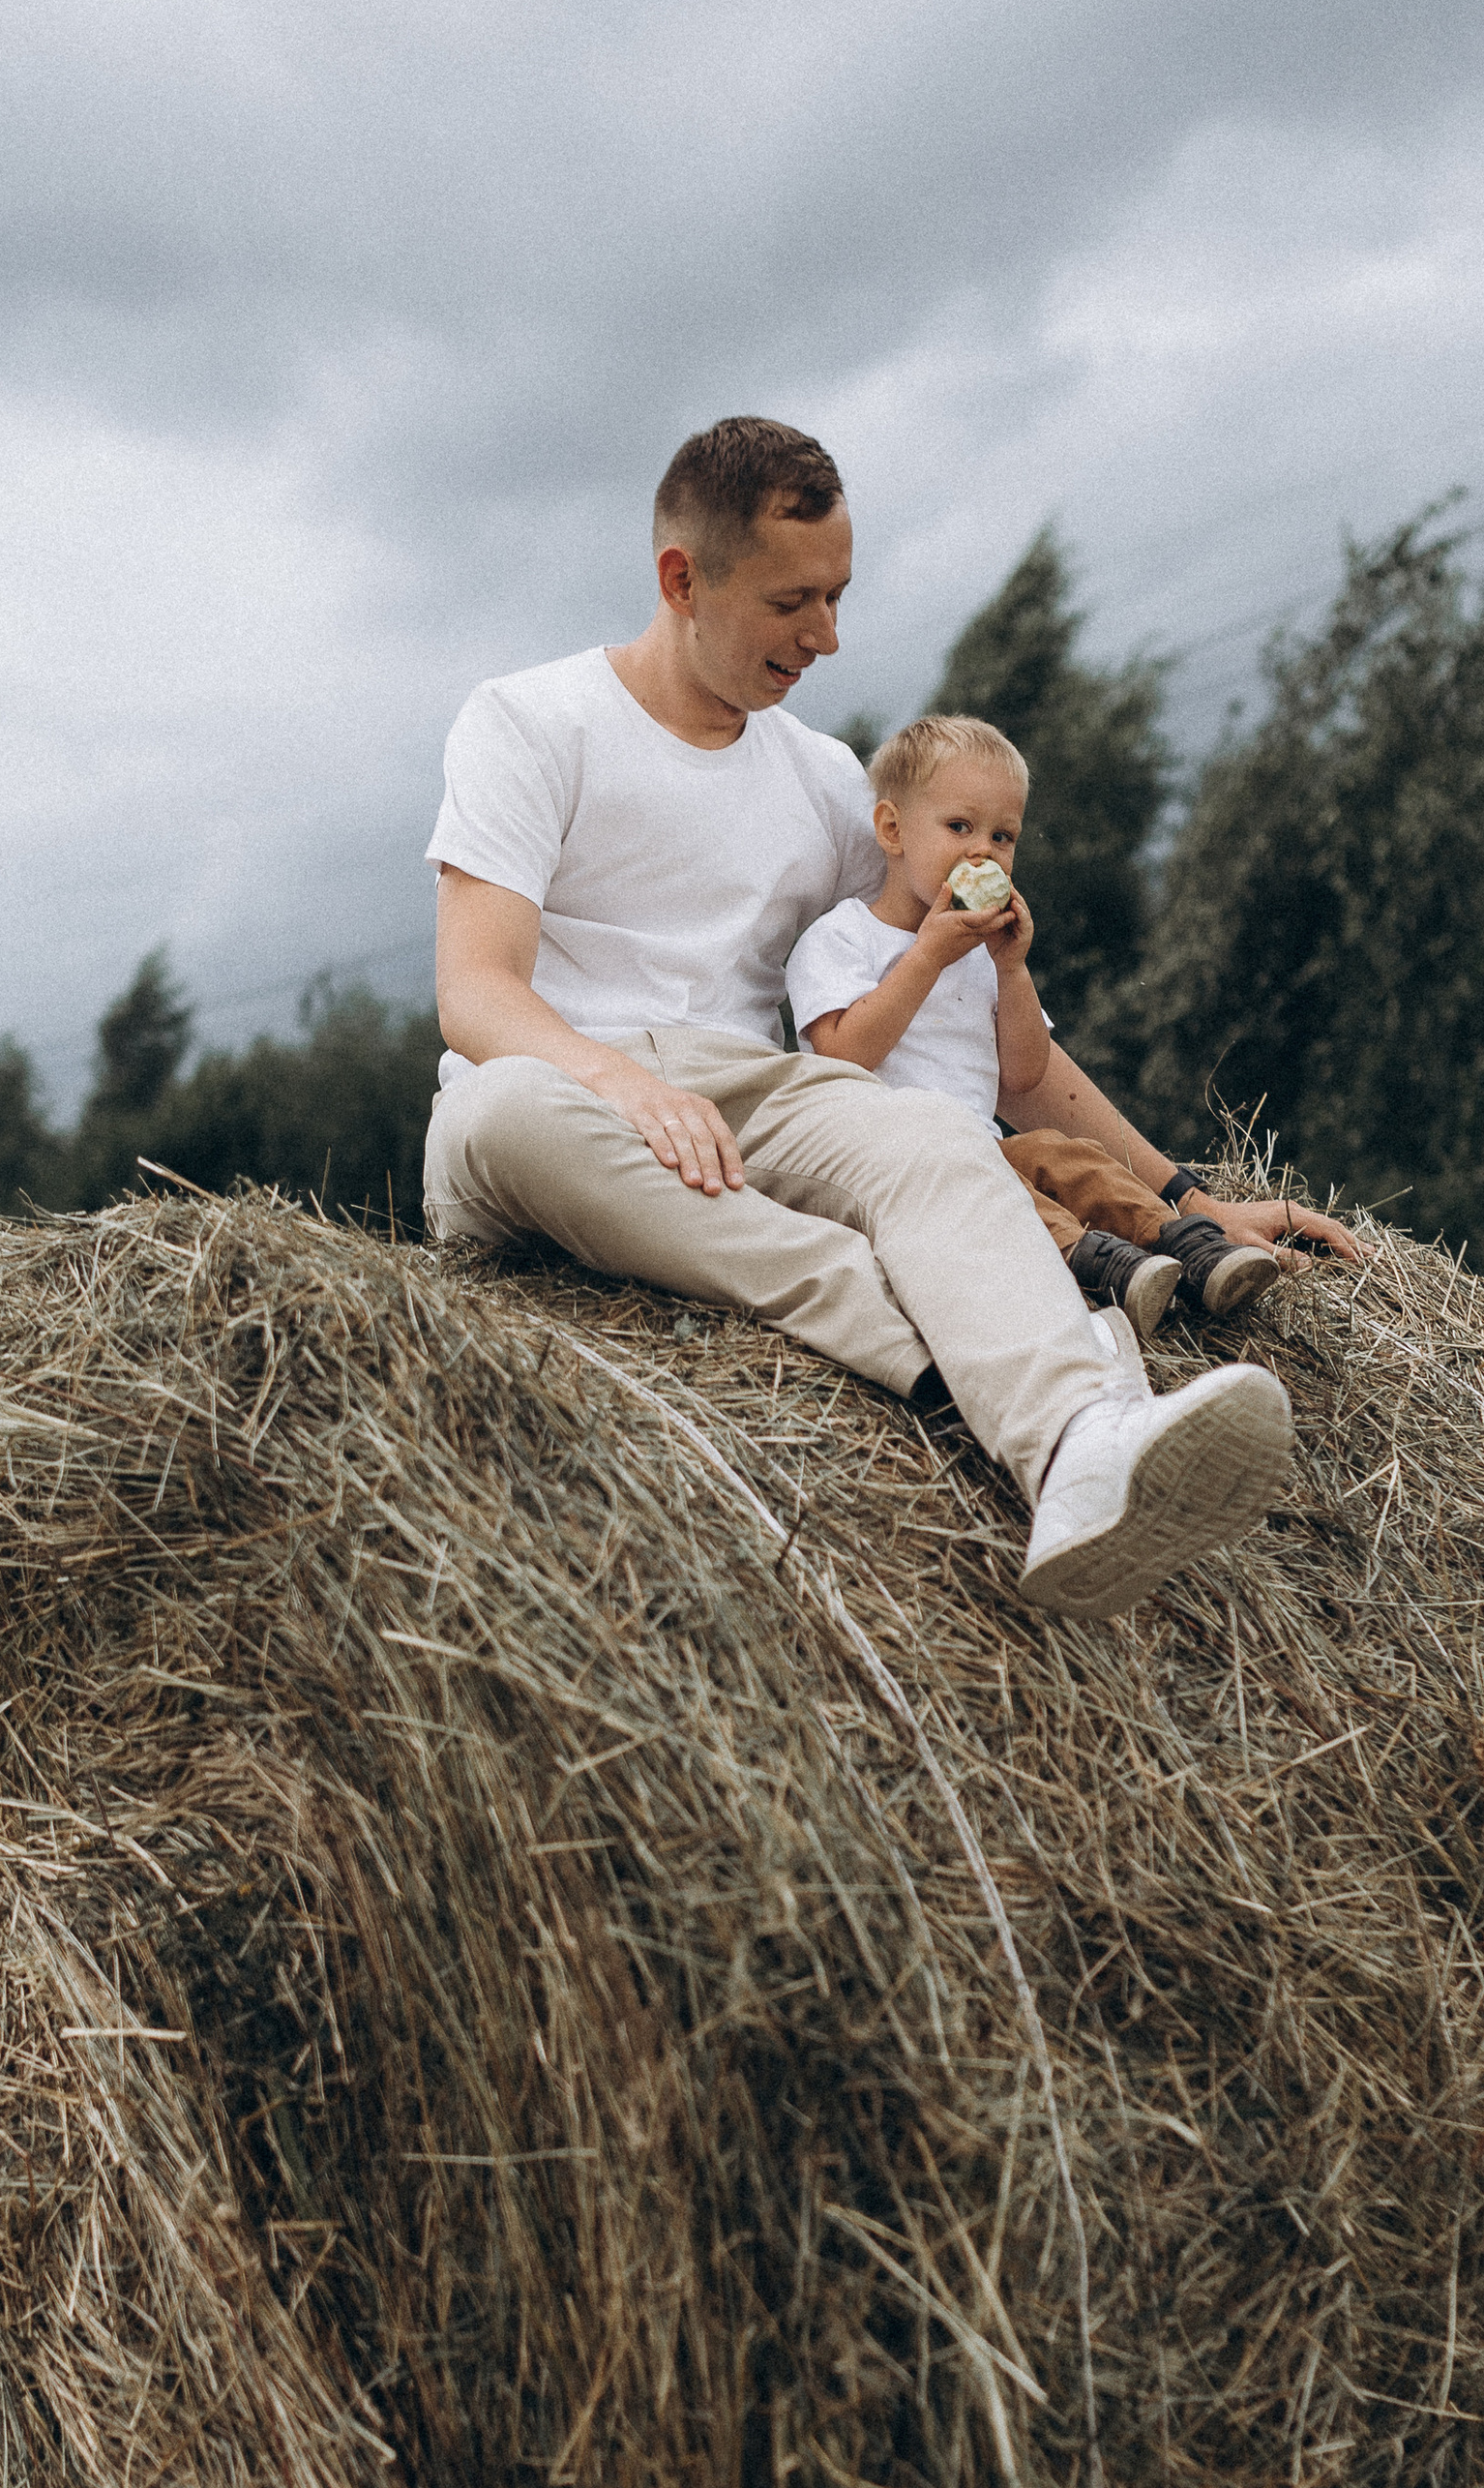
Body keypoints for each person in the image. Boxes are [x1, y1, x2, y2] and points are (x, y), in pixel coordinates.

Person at [422, 415, 1326, 1620]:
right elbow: (476, 992)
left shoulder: (828, 784)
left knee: (932, 1135)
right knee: (501, 1113)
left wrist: (1183, 1197)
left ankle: (1075, 1447)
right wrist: (625, 1086)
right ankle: (936, 1320)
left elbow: (983, 1034)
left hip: (752, 1102)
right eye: (791, 601)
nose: (827, 636)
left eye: (838, 597)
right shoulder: (530, 721)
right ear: (682, 580)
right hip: (558, 1099)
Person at [787, 710, 1297, 1343]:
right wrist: (926, 957)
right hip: (903, 1168)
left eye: (1002, 836)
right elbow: (841, 1057)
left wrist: (1011, 970)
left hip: (985, 1147)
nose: (982, 851)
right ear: (893, 829)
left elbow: (1024, 1073)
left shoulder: (982, 956)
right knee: (1004, 1196)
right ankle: (1099, 1268)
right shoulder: (841, 938)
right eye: (959, 827)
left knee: (1067, 1156)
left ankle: (1189, 1246)